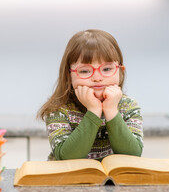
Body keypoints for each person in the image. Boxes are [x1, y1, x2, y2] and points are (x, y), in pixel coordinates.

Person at [37, 29, 143, 161]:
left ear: (120, 72)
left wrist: (110, 110)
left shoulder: (128, 106)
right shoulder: (58, 109)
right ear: (69, 75)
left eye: (107, 69)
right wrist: (93, 111)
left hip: (111, 180)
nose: (97, 77)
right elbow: (67, 157)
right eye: (85, 71)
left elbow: (133, 155)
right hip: (66, 179)